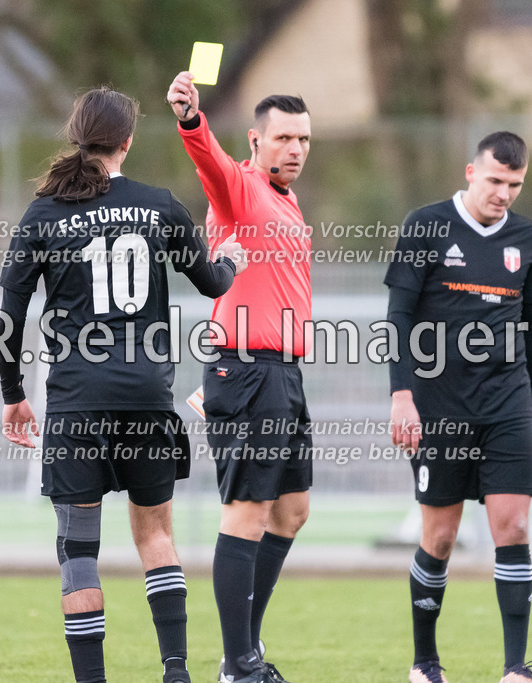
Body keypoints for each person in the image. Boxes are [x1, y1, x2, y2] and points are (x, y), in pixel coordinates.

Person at [0, 86, 246, 683]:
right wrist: (230, 258)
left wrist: (13, 396)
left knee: (79, 550)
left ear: (76, 137)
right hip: (145, 397)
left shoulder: (44, 212)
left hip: (79, 399)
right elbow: (212, 283)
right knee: (156, 534)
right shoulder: (158, 205)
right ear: (128, 142)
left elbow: (8, 313)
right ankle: (177, 673)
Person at [166, 72, 312, 683]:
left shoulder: (285, 199)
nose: (296, 149)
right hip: (247, 371)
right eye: (283, 138)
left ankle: (240, 656)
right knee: (248, 511)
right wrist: (191, 119)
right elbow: (211, 164)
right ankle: (239, 664)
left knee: (291, 512)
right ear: (255, 141)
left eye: (304, 139)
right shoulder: (243, 188)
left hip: (283, 373)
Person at [385, 132, 532, 683]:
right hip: (438, 407)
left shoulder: (527, 237)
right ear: (470, 172)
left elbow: (531, 329)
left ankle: (514, 669)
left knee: (514, 526)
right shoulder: (425, 224)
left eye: (515, 184)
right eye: (496, 180)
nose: (504, 193)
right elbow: (399, 318)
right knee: (442, 537)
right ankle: (425, 662)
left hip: (505, 407)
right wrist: (402, 395)